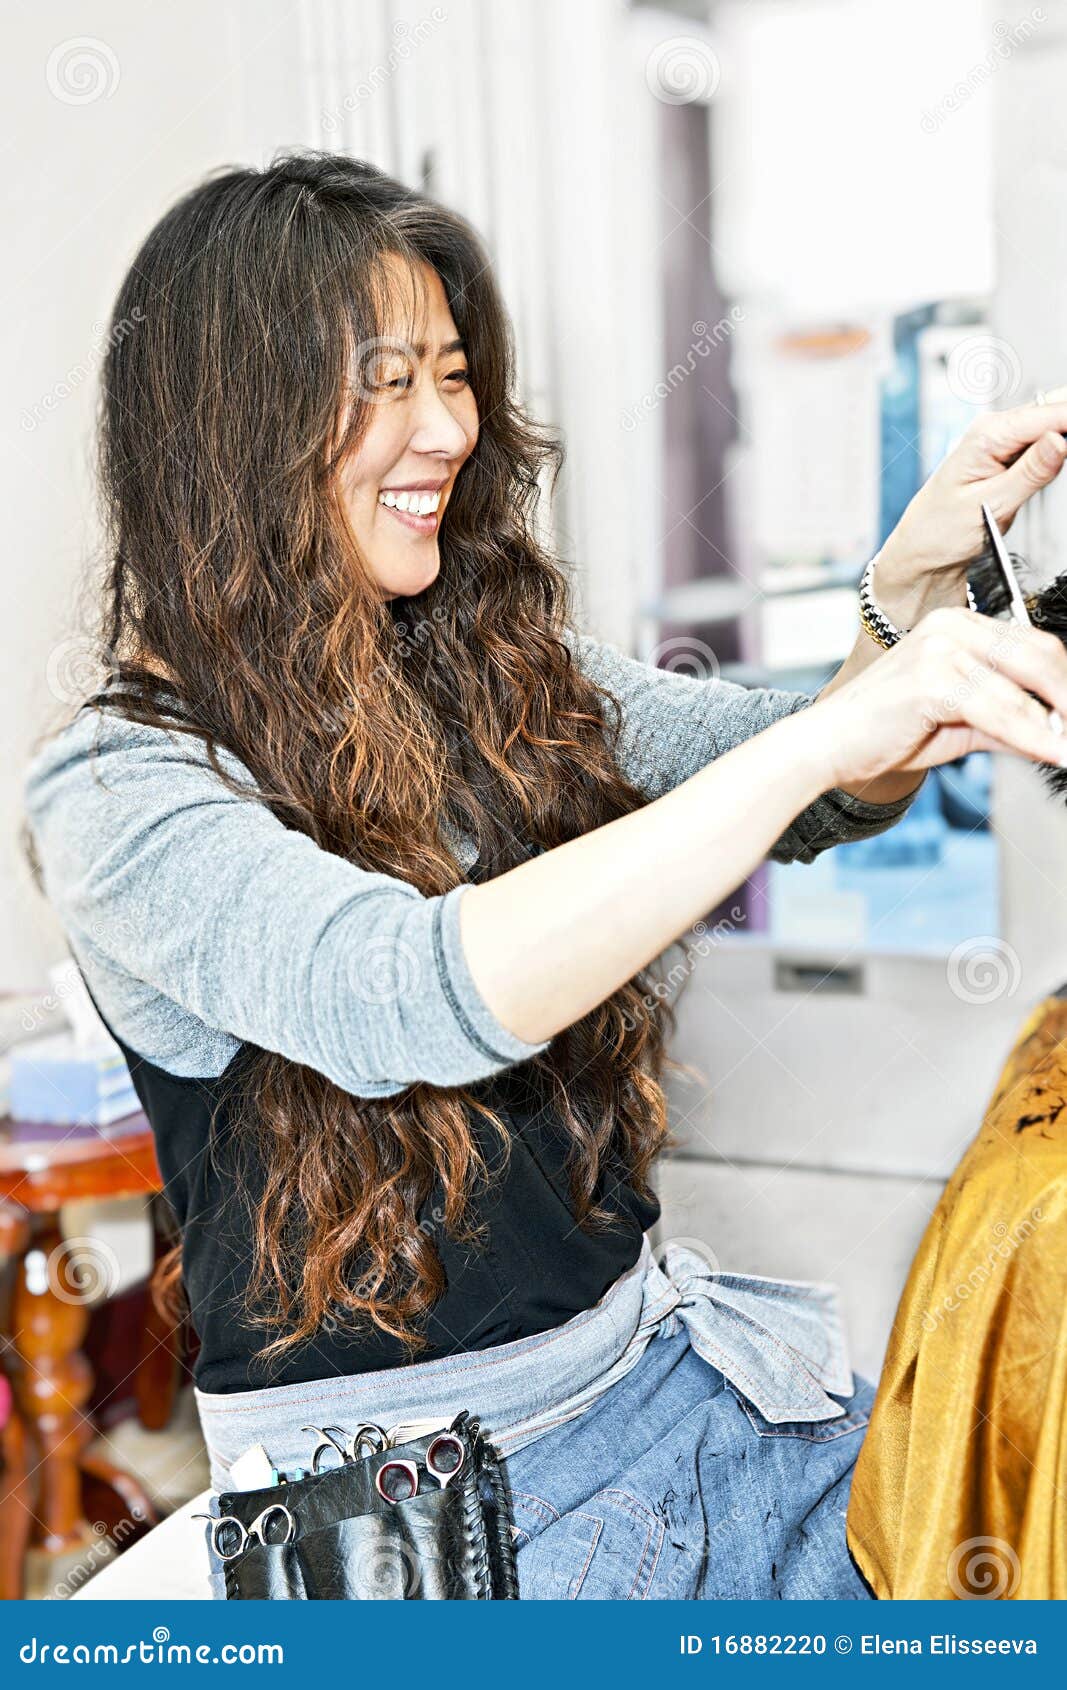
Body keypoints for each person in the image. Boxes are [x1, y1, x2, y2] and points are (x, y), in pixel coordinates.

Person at [23, 152, 1067, 1600]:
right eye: (385, 382)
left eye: (454, 374)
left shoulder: (483, 667)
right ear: (228, 423)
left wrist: (906, 588)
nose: (447, 426)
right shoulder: (120, 789)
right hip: (405, 1537)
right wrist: (836, 728)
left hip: (678, 1398)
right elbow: (407, 994)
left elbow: (802, 784)